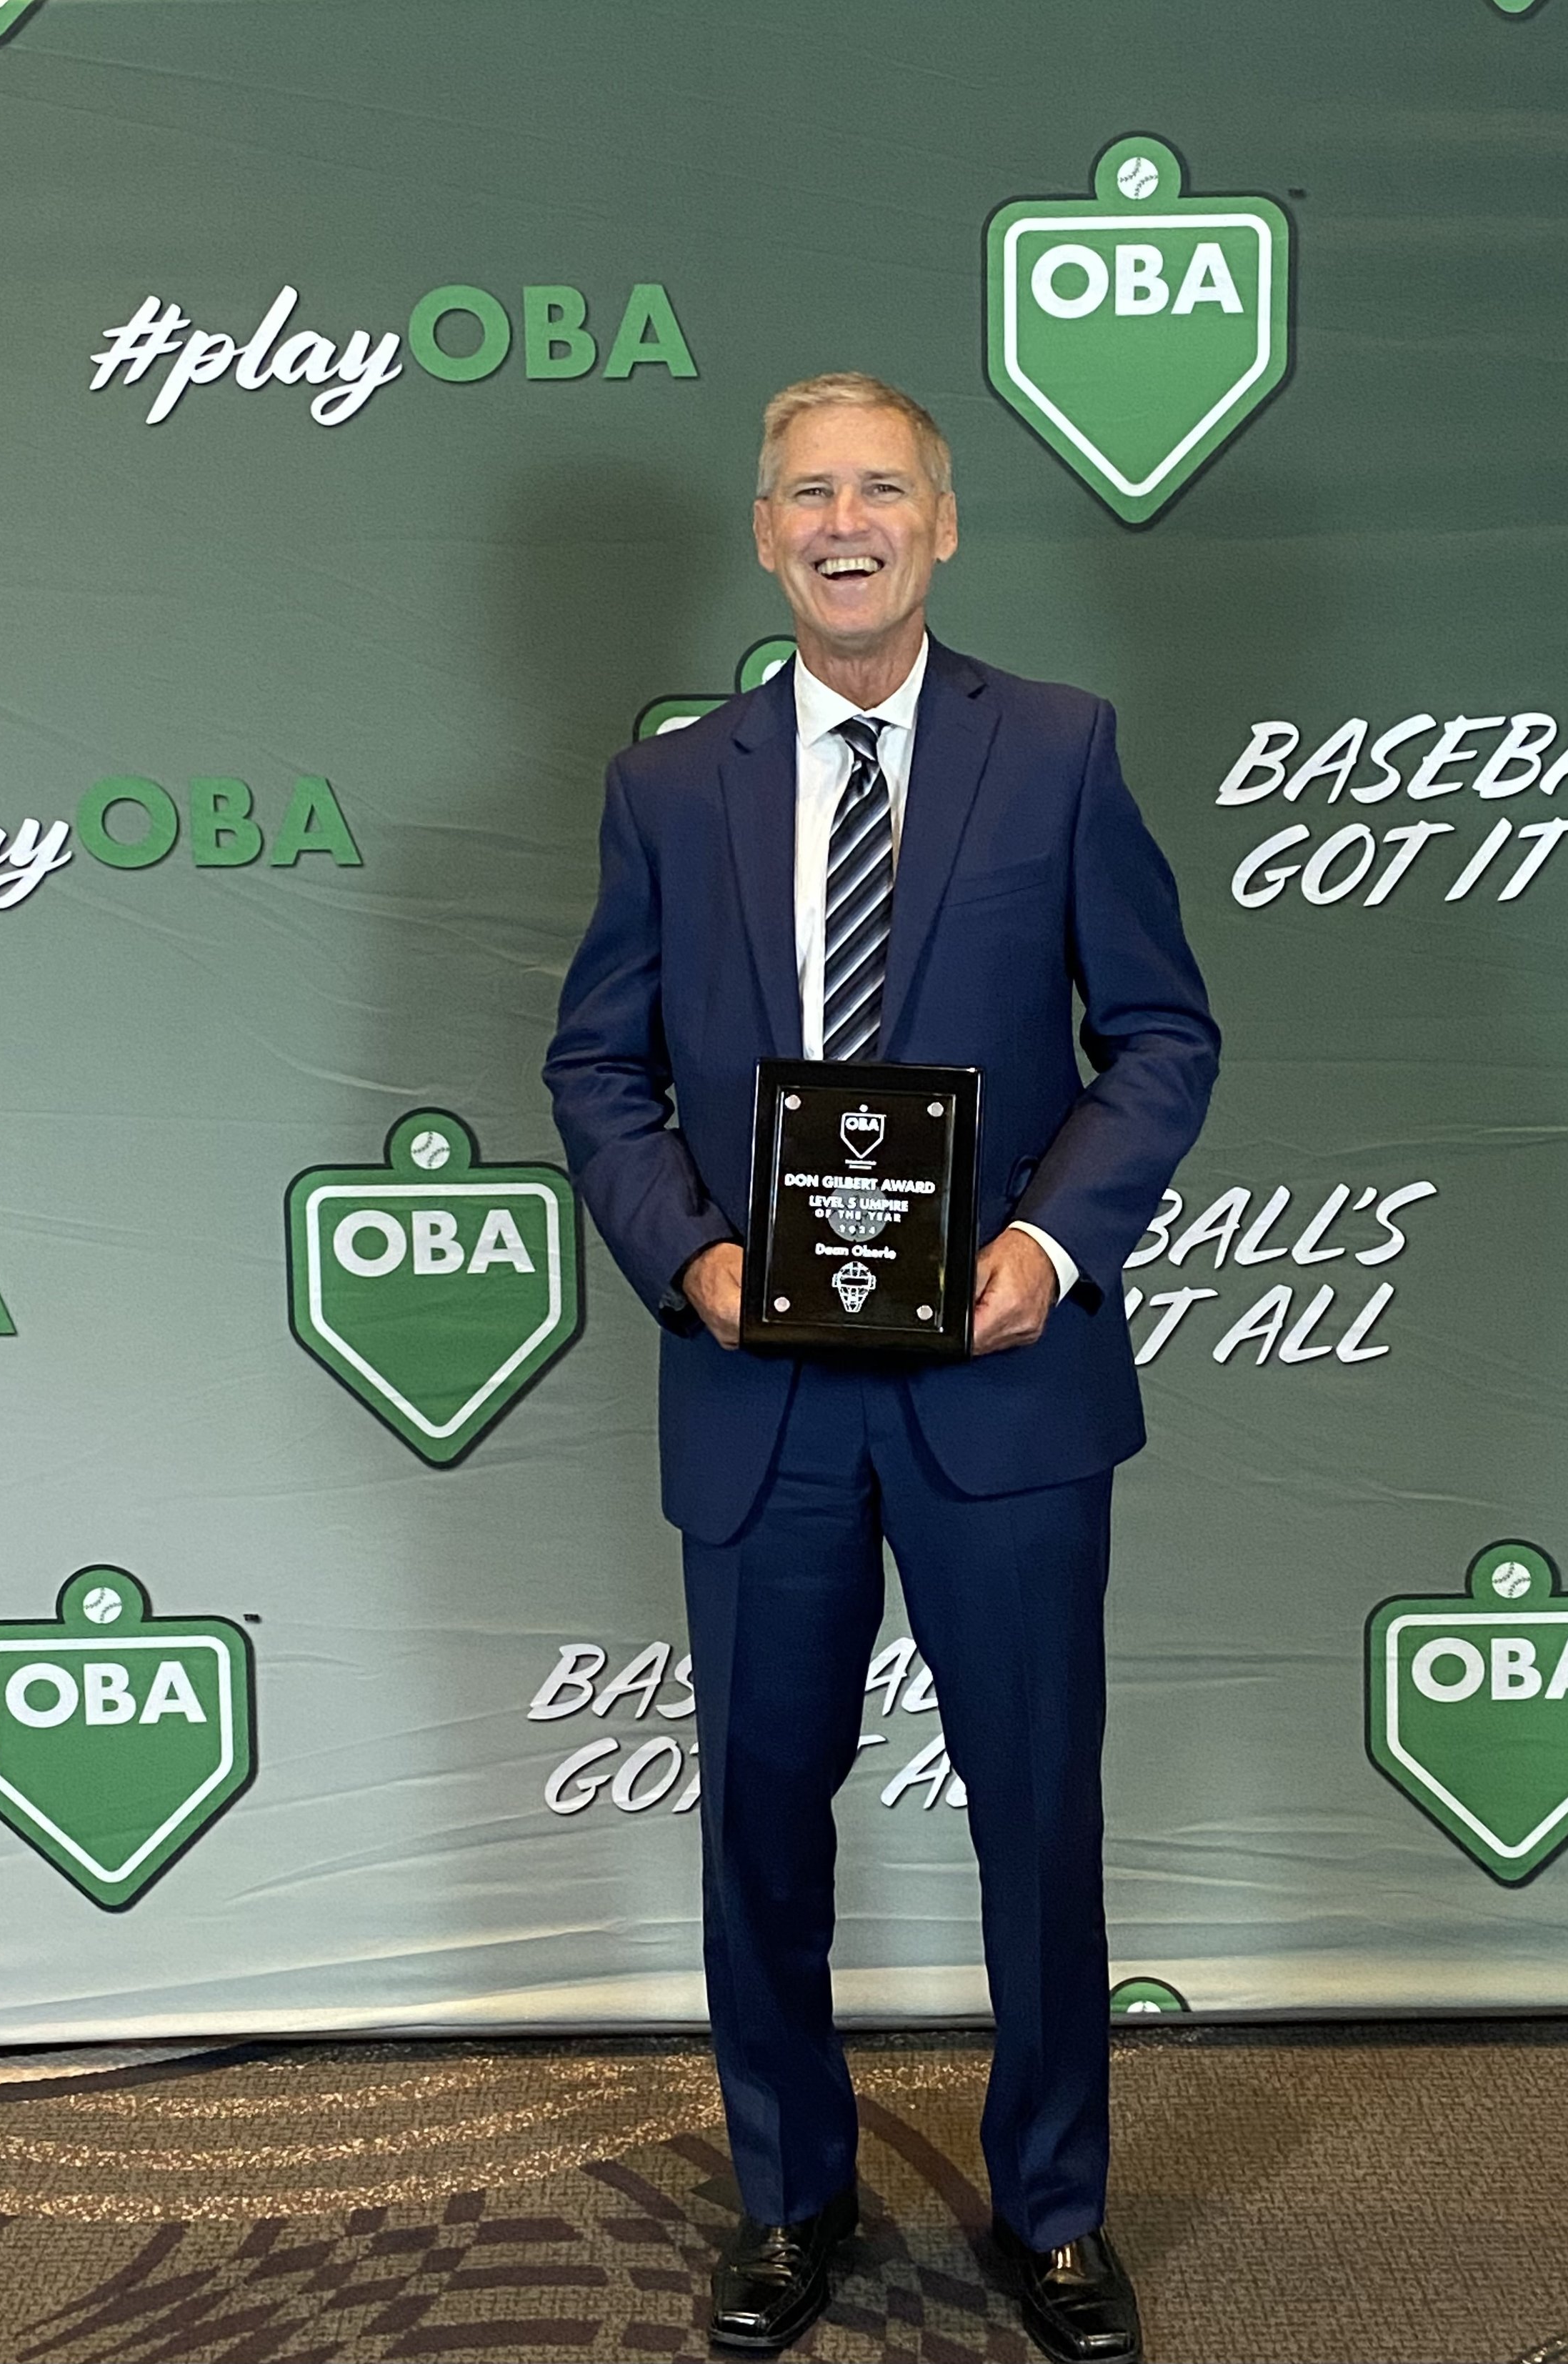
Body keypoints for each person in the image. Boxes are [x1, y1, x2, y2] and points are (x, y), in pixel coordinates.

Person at [544, 373, 1217, 2363]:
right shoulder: (669, 789)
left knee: (1037, 1810)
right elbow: (596, 1065)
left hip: (1003, 1388)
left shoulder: (1064, 753)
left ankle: (1054, 2215)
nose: (846, 522)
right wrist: (695, 1255)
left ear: (942, 522)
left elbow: (1160, 1037)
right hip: (762, 1395)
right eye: (807, 494)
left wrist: (1043, 1242)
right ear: (762, 535)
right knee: (760, 1807)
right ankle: (789, 2196)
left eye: (883, 490)